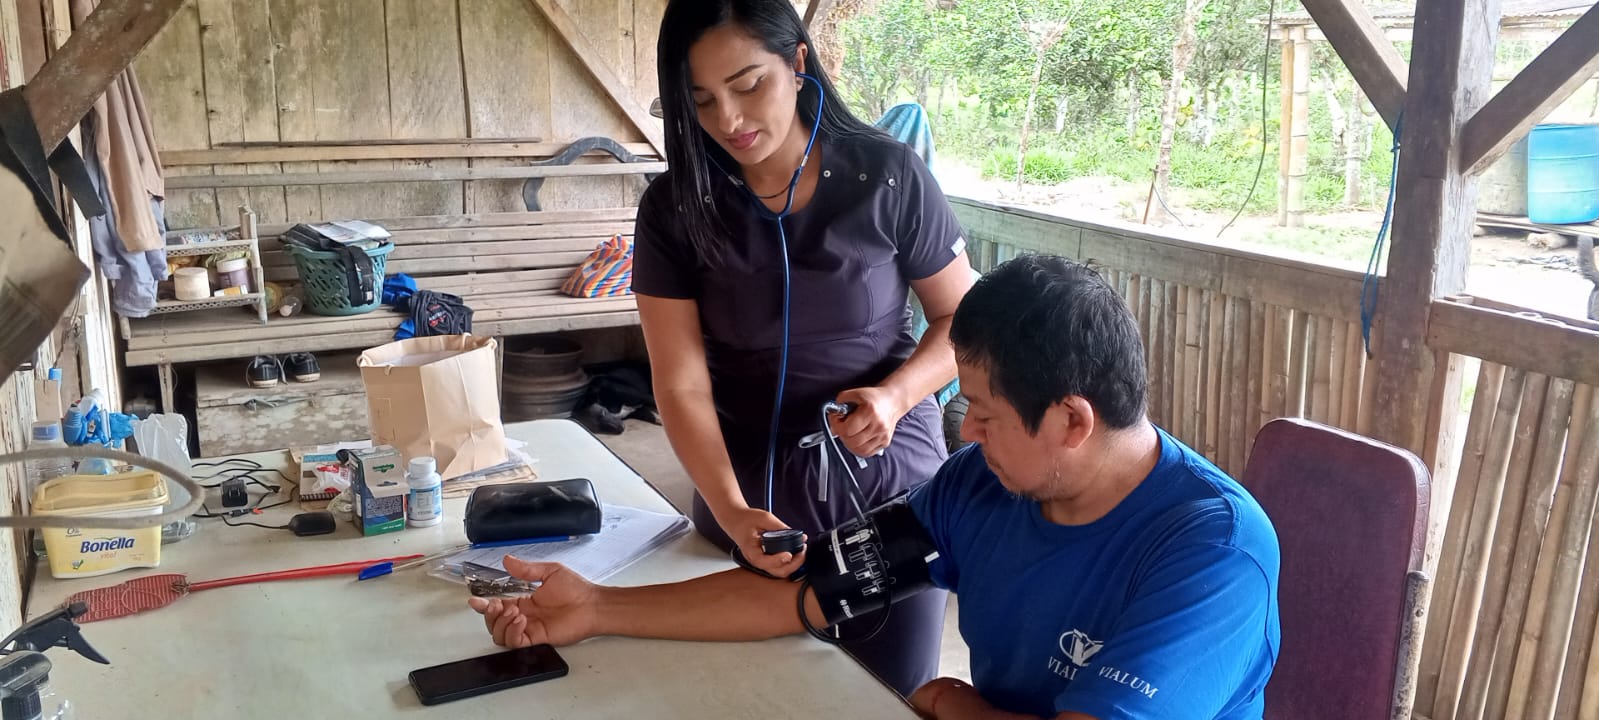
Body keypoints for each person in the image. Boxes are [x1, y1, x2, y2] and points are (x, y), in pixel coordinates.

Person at [470, 255, 1282, 719]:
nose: (966, 434)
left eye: (984, 413)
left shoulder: (1213, 550)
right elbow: (807, 591)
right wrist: (600, 607)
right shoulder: (979, 486)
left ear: (1071, 420)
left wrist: (963, 708)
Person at [629, 0, 975, 695]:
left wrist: (896, 396)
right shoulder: (675, 207)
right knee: (743, 695)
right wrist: (731, 510)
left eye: (748, 84)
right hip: (748, 494)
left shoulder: (887, 175)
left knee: (886, 694)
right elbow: (681, 383)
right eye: (701, 100)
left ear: (796, 62)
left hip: (887, 483)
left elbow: (963, 321)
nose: (729, 119)